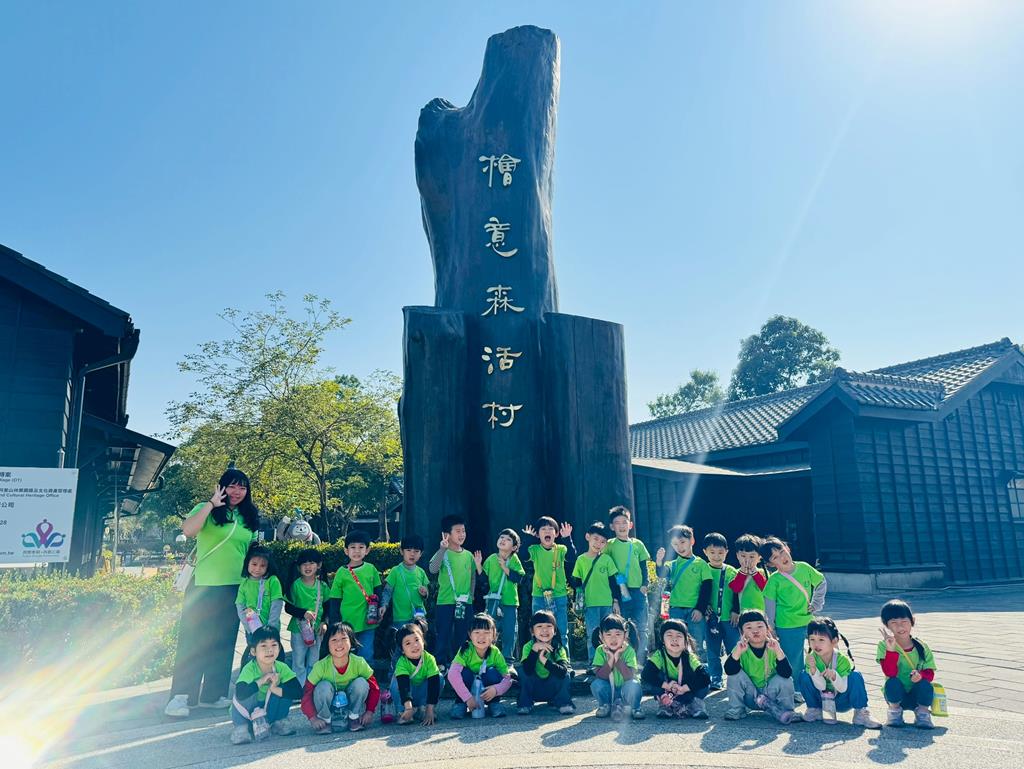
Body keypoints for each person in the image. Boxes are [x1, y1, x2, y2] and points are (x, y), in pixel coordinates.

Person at [165, 468, 260, 718]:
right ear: (222, 487)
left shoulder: (248, 516)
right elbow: (188, 531)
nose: (237, 492)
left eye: (242, 487)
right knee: (193, 640)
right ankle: (181, 696)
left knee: (224, 642)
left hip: (235, 587)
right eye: (232, 486)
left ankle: (213, 694)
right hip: (204, 585)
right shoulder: (205, 508)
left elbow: (250, 551)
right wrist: (211, 504)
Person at [760, 535, 826, 698]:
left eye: (781, 551)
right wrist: (770, 627)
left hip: (809, 620)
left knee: (821, 651)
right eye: (775, 557)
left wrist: (816, 603)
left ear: (787, 548)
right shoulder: (774, 580)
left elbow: (821, 582)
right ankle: (796, 689)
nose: (782, 557)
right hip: (787, 625)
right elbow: (769, 605)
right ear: (770, 564)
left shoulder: (804, 567)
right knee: (794, 659)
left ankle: (822, 683)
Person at [798, 617, 881, 728]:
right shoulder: (811, 658)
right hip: (821, 699)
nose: (816, 644)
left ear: (834, 641)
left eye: (821, 640)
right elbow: (821, 686)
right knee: (804, 675)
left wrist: (834, 676)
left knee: (855, 676)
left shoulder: (842, 660)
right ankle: (814, 709)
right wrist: (813, 669)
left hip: (841, 700)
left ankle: (861, 713)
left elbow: (842, 688)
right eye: (812, 639)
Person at [302, 622, 379, 733]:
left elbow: (374, 688)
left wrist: (369, 711)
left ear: (351, 641)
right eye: (334, 640)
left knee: (361, 683)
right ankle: (325, 720)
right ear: (327, 644)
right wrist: (313, 718)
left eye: (344, 638)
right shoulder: (320, 666)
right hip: (329, 706)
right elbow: (306, 692)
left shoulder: (359, 663)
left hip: (350, 703)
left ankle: (353, 717)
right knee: (323, 686)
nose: (339, 643)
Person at [229, 627, 301, 744]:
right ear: (253, 651)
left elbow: (298, 692)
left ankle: (277, 722)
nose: (269, 650)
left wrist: (275, 689)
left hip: (268, 710)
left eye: (274, 645)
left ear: (279, 648)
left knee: (284, 690)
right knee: (245, 691)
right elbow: (240, 693)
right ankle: (241, 728)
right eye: (263, 646)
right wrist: (261, 681)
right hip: (247, 712)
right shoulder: (250, 668)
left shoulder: (281, 667)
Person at [724, 610, 797, 723]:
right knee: (734, 676)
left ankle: (787, 711)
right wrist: (737, 652)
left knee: (785, 680)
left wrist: (778, 650)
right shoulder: (741, 648)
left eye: (760, 626)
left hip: (770, 695)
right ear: (741, 632)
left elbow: (787, 673)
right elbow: (729, 670)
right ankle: (737, 709)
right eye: (749, 627)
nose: (755, 631)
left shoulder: (773, 646)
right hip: (750, 695)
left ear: (767, 629)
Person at [655, 525, 712, 669]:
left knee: (697, 644)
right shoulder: (672, 565)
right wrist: (659, 561)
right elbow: (662, 573)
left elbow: (707, 588)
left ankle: (700, 673)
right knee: (677, 645)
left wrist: (700, 609)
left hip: (694, 611)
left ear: (692, 541)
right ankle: (679, 672)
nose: (679, 547)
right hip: (675, 610)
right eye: (675, 544)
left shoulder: (701, 564)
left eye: (682, 542)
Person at [877, 599, 936, 729]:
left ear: (912, 621)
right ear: (887, 625)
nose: (900, 627)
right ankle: (894, 713)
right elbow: (890, 672)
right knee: (892, 682)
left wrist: (920, 676)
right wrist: (891, 650)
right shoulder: (883, 646)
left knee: (926, 684)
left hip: (916, 695)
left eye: (904, 621)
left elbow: (930, 673)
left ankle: (923, 713)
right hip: (896, 696)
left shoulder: (922, 646)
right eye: (894, 623)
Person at [605, 505, 652, 664]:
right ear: (612, 526)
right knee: (621, 626)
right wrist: (614, 597)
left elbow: (644, 566)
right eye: (617, 522)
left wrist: (645, 584)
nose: (621, 526)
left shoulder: (638, 544)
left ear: (630, 524)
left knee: (642, 627)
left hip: (638, 591)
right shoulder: (609, 545)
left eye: (624, 522)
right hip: (620, 591)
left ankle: (641, 659)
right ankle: (624, 658)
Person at [429, 515, 476, 669]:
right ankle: (440, 663)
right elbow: (433, 569)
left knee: (463, 634)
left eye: (463, 531)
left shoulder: (469, 555)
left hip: (465, 602)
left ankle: (459, 663)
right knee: (443, 634)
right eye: (458, 531)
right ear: (446, 534)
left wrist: (471, 596)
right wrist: (442, 549)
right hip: (445, 602)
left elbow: (472, 577)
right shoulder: (443, 552)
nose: (462, 534)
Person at [568, 522, 619, 667]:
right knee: (593, 634)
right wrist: (577, 602)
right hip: (590, 604)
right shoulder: (581, 559)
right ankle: (594, 662)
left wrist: (616, 601)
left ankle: (610, 661)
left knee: (609, 633)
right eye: (595, 539)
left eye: (602, 541)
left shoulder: (607, 559)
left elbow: (614, 582)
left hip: (607, 603)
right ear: (587, 537)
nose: (598, 543)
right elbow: (577, 582)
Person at [327, 530, 383, 658]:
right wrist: (335, 623)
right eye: (353, 547)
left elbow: (378, 591)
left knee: (367, 654)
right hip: (347, 623)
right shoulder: (341, 572)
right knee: (347, 654)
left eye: (361, 547)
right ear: (346, 551)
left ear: (367, 550)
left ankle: (366, 672)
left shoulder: (371, 569)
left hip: (369, 620)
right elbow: (335, 600)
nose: (357, 551)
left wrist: (381, 608)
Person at [641, 618, 711, 719]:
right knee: (648, 681)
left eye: (679, 636)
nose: (674, 639)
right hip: (667, 689)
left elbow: (705, 677)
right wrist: (667, 686)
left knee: (705, 681)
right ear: (663, 640)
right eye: (669, 635)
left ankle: (695, 704)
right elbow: (646, 674)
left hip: (686, 689)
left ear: (685, 640)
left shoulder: (689, 656)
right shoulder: (659, 655)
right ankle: (664, 704)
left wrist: (684, 688)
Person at [521, 517, 576, 643]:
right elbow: (522, 556)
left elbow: (572, 557)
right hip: (539, 595)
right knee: (539, 631)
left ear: (556, 534)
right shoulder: (534, 549)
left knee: (562, 631)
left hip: (559, 595)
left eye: (551, 529)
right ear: (537, 534)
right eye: (543, 529)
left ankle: (563, 654)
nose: (547, 531)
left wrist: (567, 539)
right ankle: (541, 654)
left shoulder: (561, 549)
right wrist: (528, 538)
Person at [447, 613, 512, 719]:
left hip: (486, 689)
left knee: (492, 672)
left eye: (487, 632)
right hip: (467, 690)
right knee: (464, 673)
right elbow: (452, 675)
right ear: (470, 634)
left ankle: (494, 703)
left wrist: (496, 690)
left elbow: (508, 679)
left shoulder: (495, 652)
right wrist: (467, 698)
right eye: (477, 632)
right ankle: (460, 703)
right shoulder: (466, 650)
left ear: (494, 635)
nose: (481, 637)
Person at [475, 528, 526, 660]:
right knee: (490, 630)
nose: (503, 540)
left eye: (508, 539)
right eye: (502, 537)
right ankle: (488, 657)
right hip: (493, 601)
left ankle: (507, 658)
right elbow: (483, 581)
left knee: (510, 631)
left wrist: (505, 567)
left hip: (510, 602)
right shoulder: (492, 558)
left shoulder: (514, 559)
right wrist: (478, 565)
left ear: (514, 547)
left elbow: (519, 578)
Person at [283, 548, 328, 686]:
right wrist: (303, 613)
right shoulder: (296, 585)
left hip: (317, 630)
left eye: (312, 563)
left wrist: (324, 622)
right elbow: (288, 607)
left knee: (314, 660)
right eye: (304, 564)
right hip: (298, 629)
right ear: (298, 567)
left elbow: (328, 606)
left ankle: (310, 688)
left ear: (319, 565)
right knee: (298, 660)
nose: (307, 567)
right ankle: (299, 688)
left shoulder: (323, 585)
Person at [235, 545, 284, 668]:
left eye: (263, 566)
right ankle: (257, 677)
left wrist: (271, 627)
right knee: (255, 656)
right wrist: (248, 628)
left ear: (268, 566)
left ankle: (275, 676)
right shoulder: (244, 583)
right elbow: (240, 606)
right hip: (252, 630)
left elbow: (276, 604)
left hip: (270, 629)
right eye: (254, 564)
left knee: (273, 656)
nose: (257, 569)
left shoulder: (272, 581)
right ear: (247, 563)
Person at [517, 610, 574, 715]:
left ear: (555, 631)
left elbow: (562, 672)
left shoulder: (558, 648)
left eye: (549, 626)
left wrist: (544, 660)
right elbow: (527, 671)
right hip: (534, 689)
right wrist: (534, 650)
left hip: (552, 690)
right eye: (539, 626)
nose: (544, 630)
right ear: (532, 631)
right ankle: (525, 703)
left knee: (566, 673)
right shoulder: (528, 647)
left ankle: (563, 703)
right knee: (522, 671)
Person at [703, 532, 739, 689]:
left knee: (734, 648)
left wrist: (736, 611)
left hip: (729, 619)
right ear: (705, 552)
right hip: (711, 619)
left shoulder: (732, 571)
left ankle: (736, 676)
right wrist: (703, 606)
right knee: (712, 651)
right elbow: (699, 592)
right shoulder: (703, 569)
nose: (716, 556)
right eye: (712, 552)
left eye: (720, 552)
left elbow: (738, 593)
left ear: (727, 552)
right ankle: (716, 678)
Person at [591, 613, 643, 721]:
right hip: (610, 692)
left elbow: (629, 676)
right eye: (608, 634)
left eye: (618, 634)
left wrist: (617, 658)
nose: (613, 638)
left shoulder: (629, 650)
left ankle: (635, 708)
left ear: (625, 635)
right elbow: (600, 676)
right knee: (596, 684)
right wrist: (610, 659)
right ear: (601, 636)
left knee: (634, 685)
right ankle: (605, 705)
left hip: (625, 691)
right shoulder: (600, 650)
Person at [390, 620, 441, 726]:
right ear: (402, 650)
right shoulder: (402, 662)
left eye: (417, 640)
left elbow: (434, 684)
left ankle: (424, 708)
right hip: (407, 696)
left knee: (439, 678)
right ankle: (402, 711)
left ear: (423, 640)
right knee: (396, 681)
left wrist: (430, 709)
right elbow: (403, 687)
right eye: (408, 643)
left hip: (422, 693)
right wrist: (408, 707)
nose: (414, 645)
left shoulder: (429, 659)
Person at [728, 534, 768, 612]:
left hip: (761, 612)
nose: (747, 560)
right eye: (743, 556)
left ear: (759, 558)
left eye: (752, 557)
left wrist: (755, 574)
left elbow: (766, 590)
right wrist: (742, 573)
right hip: (743, 613)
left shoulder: (763, 572)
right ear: (737, 556)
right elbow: (736, 589)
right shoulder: (734, 572)